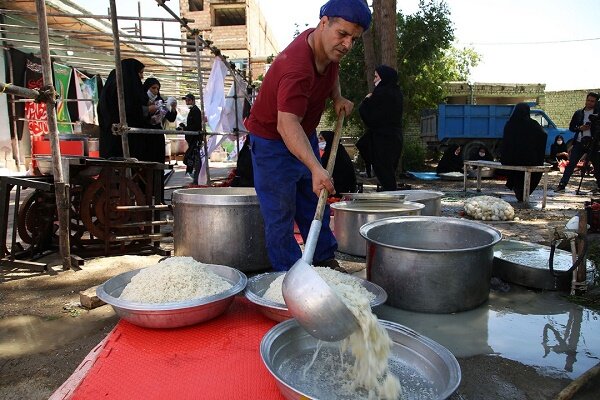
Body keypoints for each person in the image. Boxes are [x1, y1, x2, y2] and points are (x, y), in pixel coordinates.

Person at [243, 0, 371, 272]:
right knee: (280, 214)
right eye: (342, 34)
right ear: (324, 23)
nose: (347, 45)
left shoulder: (327, 48)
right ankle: (291, 278)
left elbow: (331, 70)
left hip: (303, 134)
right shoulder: (297, 67)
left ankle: (324, 260)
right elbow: (286, 124)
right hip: (272, 143)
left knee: (316, 201)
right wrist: (315, 166)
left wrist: (337, 97)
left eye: (354, 39)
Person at [98, 58, 156, 159]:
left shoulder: (114, 83)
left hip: (110, 140)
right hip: (120, 141)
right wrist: (147, 110)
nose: (142, 77)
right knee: (124, 168)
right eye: (140, 73)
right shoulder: (121, 87)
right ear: (131, 72)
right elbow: (127, 109)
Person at [358, 65, 403, 191]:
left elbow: (370, 118)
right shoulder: (397, 92)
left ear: (384, 77)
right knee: (389, 173)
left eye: (376, 77)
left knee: (385, 174)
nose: (374, 80)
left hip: (382, 141)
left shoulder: (381, 94)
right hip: (395, 139)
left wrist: (365, 102)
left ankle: (390, 204)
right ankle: (391, 200)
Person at [500, 102, 547, 201]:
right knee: (535, 171)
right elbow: (543, 135)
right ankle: (524, 194)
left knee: (516, 174)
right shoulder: (533, 124)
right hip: (528, 160)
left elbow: (505, 144)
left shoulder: (509, 124)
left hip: (511, 160)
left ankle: (519, 193)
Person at [556, 92, 600, 192]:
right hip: (580, 142)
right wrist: (580, 128)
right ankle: (562, 184)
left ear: (596, 102)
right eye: (588, 100)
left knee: (597, 165)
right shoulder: (579, 113)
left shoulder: (598, 114)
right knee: (571, 164)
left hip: (593, 143)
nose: (589, 103)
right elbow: (571, 127)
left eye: (592, 101)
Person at [130, 77, 177, 164]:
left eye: (157, 89)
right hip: (143, 137)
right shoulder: (140, 100)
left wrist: (173, 108)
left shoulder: (160, 101)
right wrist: (148, 114)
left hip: (156, 136)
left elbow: (170, 118)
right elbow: (135, 116)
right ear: (147, 87)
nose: (155, 91)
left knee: (157, 160)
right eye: (153, 88)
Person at [319, 130, 357, 195]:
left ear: (329, 139)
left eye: (321, 139)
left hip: (339, 187)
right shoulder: (339, 150)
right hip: (344, 187)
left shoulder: (334, 152)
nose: (319, 141)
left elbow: (321, 166)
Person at [179, 93, 203, 183]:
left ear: (193, 100)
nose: (187, 102)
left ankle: (197, 179)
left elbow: (196, 126)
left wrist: (185, 128)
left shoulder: (196, 111)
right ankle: (196, 179)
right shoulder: (192, 111)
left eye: (188, 100)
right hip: (192, 139)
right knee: (193, 158)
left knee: (195, 159)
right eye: (186, 100)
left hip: (195, 139)